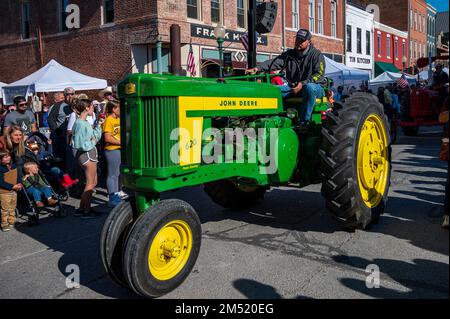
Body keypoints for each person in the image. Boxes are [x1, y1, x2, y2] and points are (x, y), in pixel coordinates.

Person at [246, 29, 326, 123]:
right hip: (293, 88)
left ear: (309, 42)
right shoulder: (290, 54)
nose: (298, 42)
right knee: (272, 90)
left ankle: (304, 122)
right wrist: (258, 68)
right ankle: (278, 119)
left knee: (309, 88)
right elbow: (274, 62)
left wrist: (302, 83)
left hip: (315, 88)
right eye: (297, 39)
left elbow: (319, 75)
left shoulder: (317, 55)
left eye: (302, 41)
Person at [72, 98, 105, 218]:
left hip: (89, 154)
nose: (93, 109)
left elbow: (94, 136)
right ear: (87, 107)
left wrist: (99, 125)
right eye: (92, 107)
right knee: (90, 184)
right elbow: (80, 143)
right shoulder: (80, 123)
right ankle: (86, 211)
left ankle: (82, 209)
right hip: (87, 154)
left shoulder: (83, 122)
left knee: (93, 182)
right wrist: (93, 142)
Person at [47, 87, 75, 166]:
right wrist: (59, 133)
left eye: (72, 94)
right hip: (61, 137)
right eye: (67, 94)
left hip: (74, 137)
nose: (70, 96)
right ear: (64, 95)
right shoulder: (58, 106)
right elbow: (50, 120)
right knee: (63, 159)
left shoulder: (77, 104)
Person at [103, 100, 123, 207]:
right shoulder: (108, 120)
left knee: (117, 173)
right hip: (112, 150)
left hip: (119, 149)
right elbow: (107, 138)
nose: (120, 110)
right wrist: (121, 142)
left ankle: (116, 194)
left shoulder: (119, 119)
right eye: (119, 108)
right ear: (114, 109)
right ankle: (111, 197)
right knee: (112, 174)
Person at [0, 150, 22, 232]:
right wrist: (12, 186)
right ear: (1, 160)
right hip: (4, 192)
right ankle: (4, 224)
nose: (8, 158)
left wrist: (19, 183)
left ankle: (11, 221)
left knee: (12, 207)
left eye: (8, 156)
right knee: (5, 209)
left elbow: (18, 176)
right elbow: (1, 182)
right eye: (5, 157)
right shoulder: (0, 169)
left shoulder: (13, 166)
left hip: (14, 191)